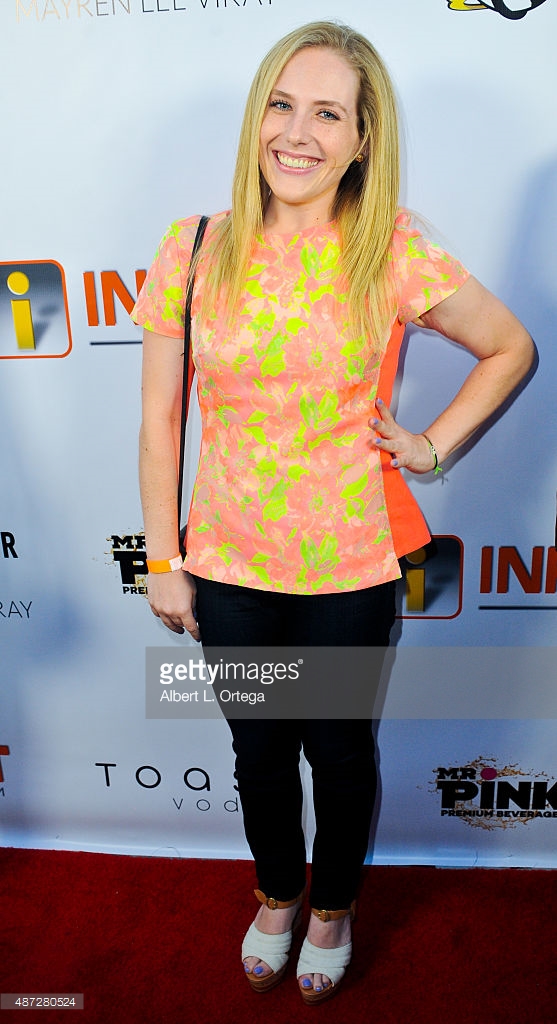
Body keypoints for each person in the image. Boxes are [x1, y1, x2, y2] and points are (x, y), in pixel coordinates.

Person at [132, 20, 533, 1004]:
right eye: (281, 103)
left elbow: (508, 346)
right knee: (260, 752)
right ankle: (276, 892)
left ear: (362, 139)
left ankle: (331, 908)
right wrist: (162, 556)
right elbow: (159, 414)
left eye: (327, 113)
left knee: (339, 752)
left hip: (349, 569)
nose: (297, 133)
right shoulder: (192, 247)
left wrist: (432, 444)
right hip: (228, 565)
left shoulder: (387, 249)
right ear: (254, 118)